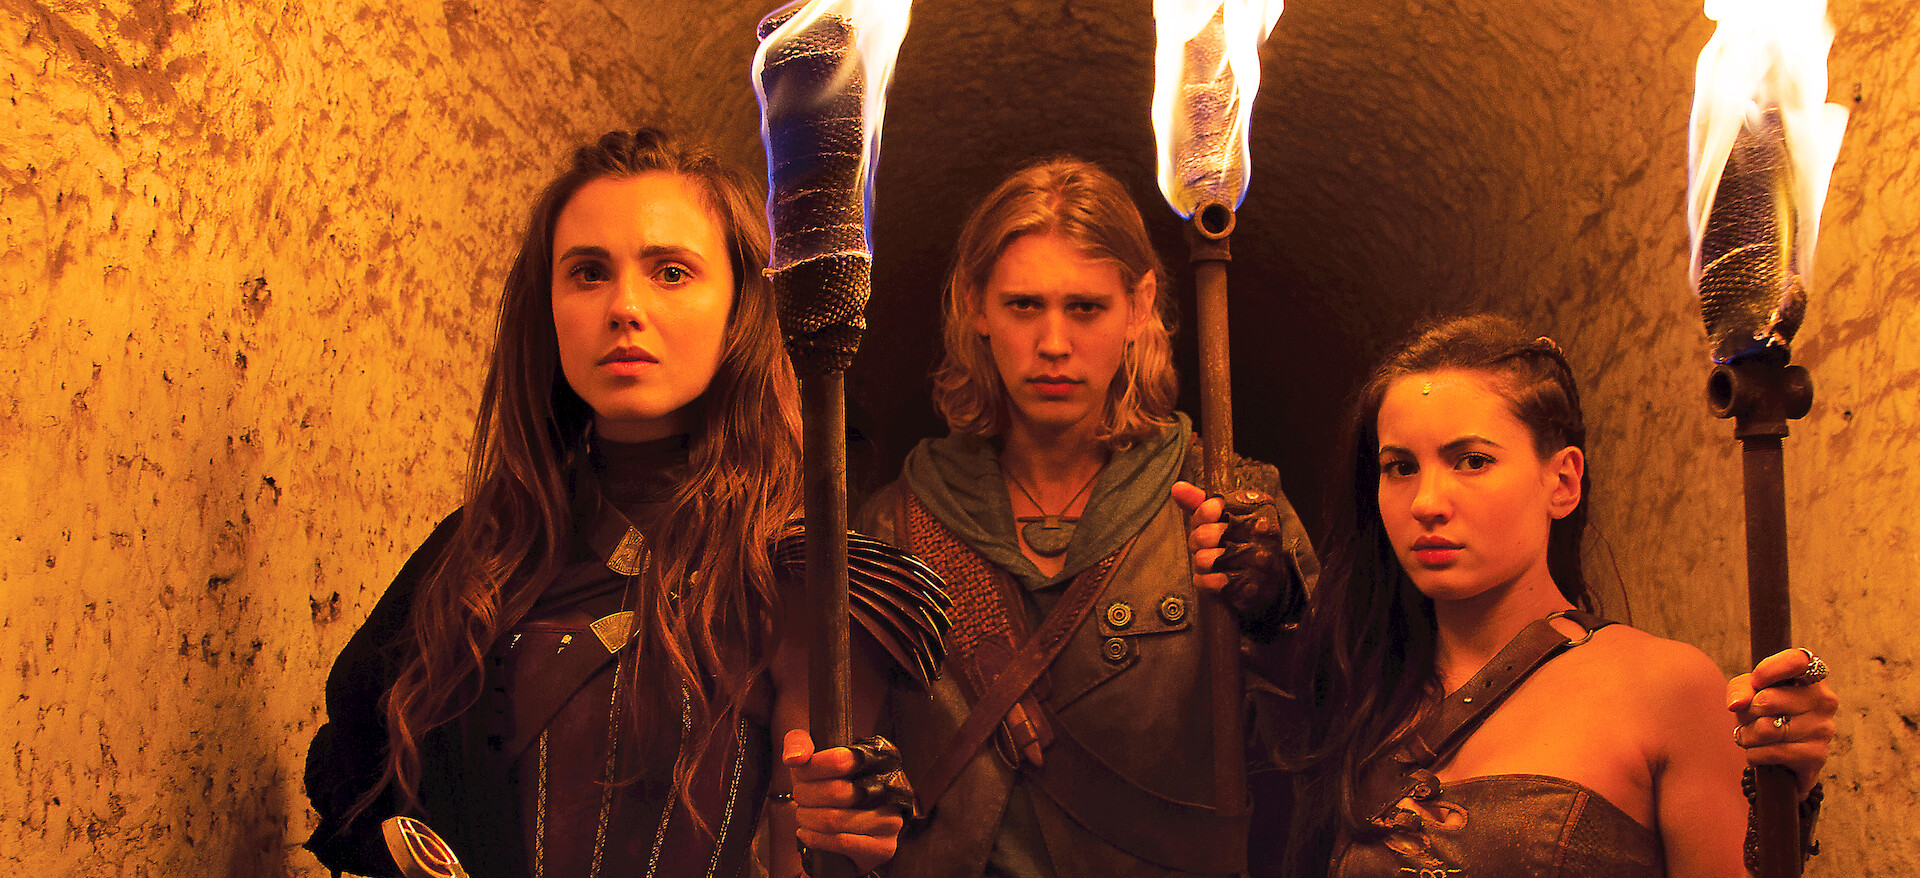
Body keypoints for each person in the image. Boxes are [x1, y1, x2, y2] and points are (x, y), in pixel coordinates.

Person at [302, 128, 938, 878]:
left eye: (671, 272)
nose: (625, 307)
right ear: (549, 306)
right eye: (588, 273)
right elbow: (353, 781)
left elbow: (811, 839)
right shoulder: (475, 553)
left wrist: (844, 821)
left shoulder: (800, 576)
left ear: (740, 305)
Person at [1181, 314, 1838, 877]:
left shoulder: (1666, 690)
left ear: (1562, 481)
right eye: (1400, 467)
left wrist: (1784, 788)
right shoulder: (1366, 697)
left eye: (1472, 460)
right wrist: (1268, 613)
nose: (1427, 502)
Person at [851, 157, 1318, 878]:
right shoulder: (896, 524)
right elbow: (847, 760)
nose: (1054, 344)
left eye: (1086, 308)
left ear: (1138, 307)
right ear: (977, 307)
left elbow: (1321, 731)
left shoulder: (1227, 503)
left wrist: (1277, 614)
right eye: (1023, 305)